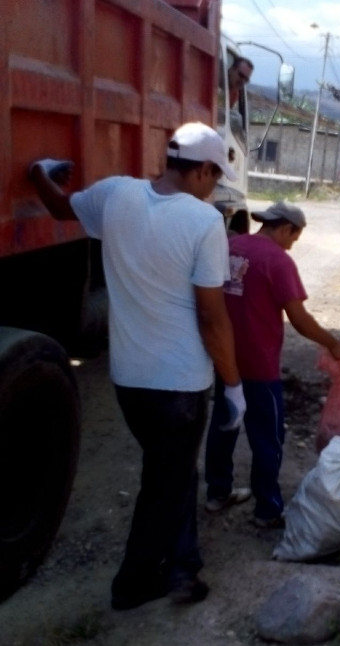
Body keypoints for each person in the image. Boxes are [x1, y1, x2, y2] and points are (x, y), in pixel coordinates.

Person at [29, 122, 247, 609]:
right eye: (215, 176)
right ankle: (135, 582)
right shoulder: (205, 223)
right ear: (203, 170)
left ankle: (185, 568)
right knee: (164, 482)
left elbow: (61, 207)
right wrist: (234, 385)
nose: (214, 187)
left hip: (130, 380)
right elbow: (213, 319)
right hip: (180, 384)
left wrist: (41, 174)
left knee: (172, 472)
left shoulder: (114, 195)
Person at [204, 201, 340, 528]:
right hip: (259, 364)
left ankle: (217, 493)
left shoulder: (230, 246)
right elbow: (299, 319)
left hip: (224, 359)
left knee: (225, 423)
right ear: (285, 228)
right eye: (293, 239)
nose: (291, 246)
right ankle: (268, 509)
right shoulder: (278, 261)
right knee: (267, 436)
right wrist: (333, 343)